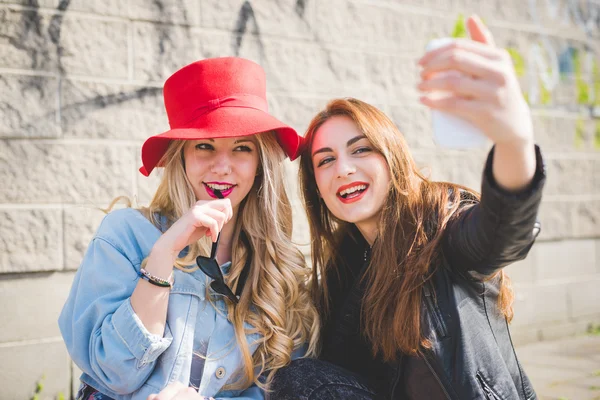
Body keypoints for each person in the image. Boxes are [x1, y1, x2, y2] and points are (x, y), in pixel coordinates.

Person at [271, 15, 545, 400]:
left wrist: (514, 139)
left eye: (361, 149)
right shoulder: (346, 264)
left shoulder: (440, 221)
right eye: (326, 160)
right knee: (297, 377)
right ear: (315, 185)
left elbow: (500, 234)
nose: (343, 168)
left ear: (392, 157)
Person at [58, 57, 319, 400]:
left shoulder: (277, 267)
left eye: (242, 148)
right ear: (181, 156)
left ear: (260, 164)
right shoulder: (124, 235)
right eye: (204, 146)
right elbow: (111, 373)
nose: (222, 167)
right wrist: (164, 253)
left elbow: (274, 389)